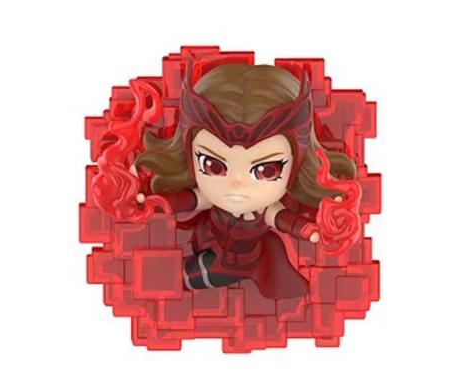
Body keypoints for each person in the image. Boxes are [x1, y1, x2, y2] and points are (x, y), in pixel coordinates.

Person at [127, 62, 361, 300]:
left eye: (266, 170)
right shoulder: (208, 196)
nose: (237, 182)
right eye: (213, 165)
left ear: (297, 164)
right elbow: (184, 200)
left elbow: (287, 222)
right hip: (205, 244)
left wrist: (313, 231)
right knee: (166, 276)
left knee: (175, 278)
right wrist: (150, 203)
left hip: (236, 265)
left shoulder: (265, 210)